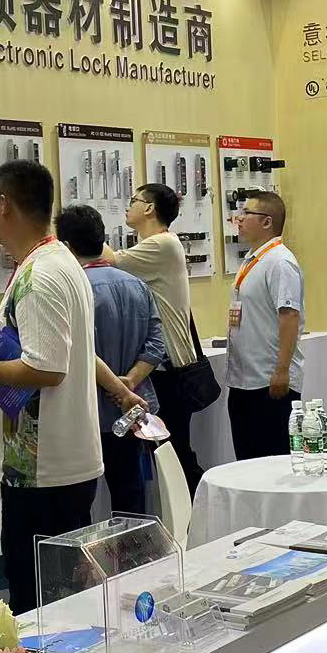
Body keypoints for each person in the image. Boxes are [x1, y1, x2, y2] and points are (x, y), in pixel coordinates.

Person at [0, 160, 103, 613]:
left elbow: (48, 369)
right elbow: (74, 352)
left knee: (40, 605)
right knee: (59, 599)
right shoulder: (56, 262)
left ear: (4, 205)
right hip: (57, 464)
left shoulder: (40, 275)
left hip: (43, 473)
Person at [57, 204, 167, 516]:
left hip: (88, 411)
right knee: (132, 496)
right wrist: (130, 381)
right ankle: (136, 547)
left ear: (66, 246)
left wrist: (117, 386)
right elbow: (156, 344)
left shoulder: (74, 290)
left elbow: (74, 350)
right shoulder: (136, 285)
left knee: (81, 505)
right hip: (133, 407)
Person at [106, 182, 208, 493]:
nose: (128, 206)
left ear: (149, 208)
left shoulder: (162, 244)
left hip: (169, 372)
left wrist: (83, 235)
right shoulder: (158, 246)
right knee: (168, 454)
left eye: (134, 200)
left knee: (174, 455)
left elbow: (110, 259)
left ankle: (198, 510)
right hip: (162, 369)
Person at [225, 190, 304, 461]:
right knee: (247, 461)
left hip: (269, 382)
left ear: (267, 222)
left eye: (247, 213)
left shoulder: (280, 262)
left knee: (272, 462)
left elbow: (289, 316)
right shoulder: (253, 259)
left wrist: (281, 370)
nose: (239, 219)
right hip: (243, 381)